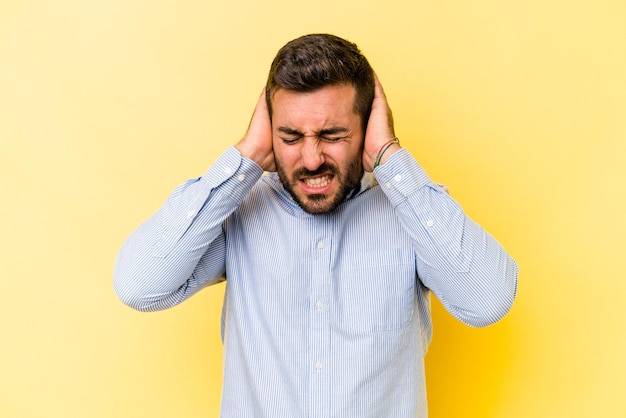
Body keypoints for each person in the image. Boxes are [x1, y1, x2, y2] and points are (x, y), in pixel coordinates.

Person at [114, 33, 518, 417]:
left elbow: (487, 301)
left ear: (366, 129)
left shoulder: (411, 210)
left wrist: (390, 159)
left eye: (333, 134)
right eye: (290, 136)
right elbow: (139, 286)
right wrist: (247, 155)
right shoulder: (238, 211)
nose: (310, 159)